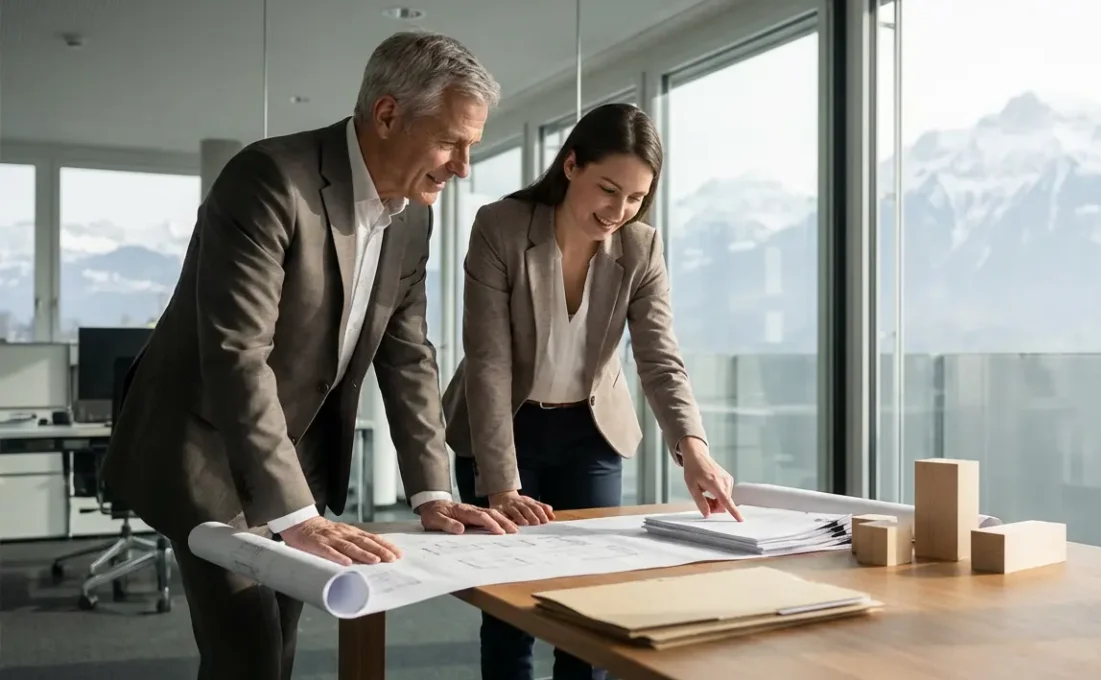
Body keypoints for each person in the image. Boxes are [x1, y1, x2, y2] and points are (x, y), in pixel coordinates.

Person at [100, 31, 517, 680]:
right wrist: (294, 516)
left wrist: (432, 489)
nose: (463, 166)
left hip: (295, 454)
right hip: (203, 445)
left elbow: (408, 359)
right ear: (386, 115)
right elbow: (238, 352)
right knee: (249, 651)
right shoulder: (270, 178)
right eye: (450, 141)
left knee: (280, 640)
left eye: (472, 146)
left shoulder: (413, 217)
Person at [442, 102, 744, 680]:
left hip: (591, 433)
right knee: (509, 611)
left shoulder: (640, 246)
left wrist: (694, 448)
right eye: (609, 189)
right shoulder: (500, 227)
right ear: (572, 165)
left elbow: (659, 358)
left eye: (635, 199)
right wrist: (502, 485)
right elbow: (489, 363)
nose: (619, 211)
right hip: (504, 428)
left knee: (591, 607)